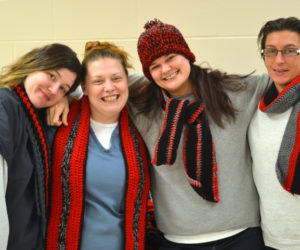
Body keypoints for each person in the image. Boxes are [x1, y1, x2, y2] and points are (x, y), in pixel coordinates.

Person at [127, 19, 273, 250]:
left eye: (170, 57)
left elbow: (284, 77)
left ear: (187, 55)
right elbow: (103, 83)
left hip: (242, 236)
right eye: (154, 66)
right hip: (178, 241)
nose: (165, 69)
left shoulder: (233, 91)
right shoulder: (142, 107)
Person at [46, 41, 152, 250]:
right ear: (84, 87)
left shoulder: (143, 123)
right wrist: (62, 95)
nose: (109, 87)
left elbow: (155, 81)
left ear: (127, 81)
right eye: (98, 81)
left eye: (116, 78)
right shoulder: (59, 122)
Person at [0, 43, 81, 250]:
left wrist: (66, 98)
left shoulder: (39, 117)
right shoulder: (6, 105)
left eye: (63, 87)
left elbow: (90, 88)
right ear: (34, 64)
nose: (54, 89)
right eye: (51, 76)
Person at [248, 17, 300, 250]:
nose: (279, 60)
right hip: (272, 239)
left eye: (290, 51)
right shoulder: (257, 108)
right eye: (271, 51)